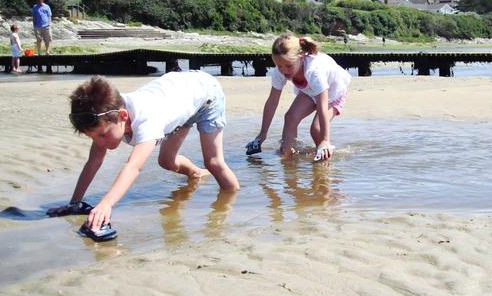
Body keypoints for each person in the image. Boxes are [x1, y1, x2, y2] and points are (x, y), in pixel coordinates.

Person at [48, 70, 240, 232]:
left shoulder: (147, 121)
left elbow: (133, 167)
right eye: (93, 138)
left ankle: (233, 200)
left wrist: (106, 204)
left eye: (103, 135)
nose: (100, 142)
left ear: (122, 116)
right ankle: (196, 174)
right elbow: (93, 162)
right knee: (166, 161)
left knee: (213, 162)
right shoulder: (108, 114)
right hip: (179, 98)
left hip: (206, 95)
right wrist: (74, 203)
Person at [247, 33, 351, 161]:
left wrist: (325, 140)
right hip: (310, 91)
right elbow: (272, 102)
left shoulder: (314, 71)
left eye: (289, 66)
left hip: (333, 91)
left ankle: (324, 161)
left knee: (316, 129)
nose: (284, 71)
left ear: (301, 58)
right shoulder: (280, 71)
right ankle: (289, 161)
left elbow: (322, 107)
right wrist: (262, 135)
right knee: (290, 117)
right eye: (279, 66)